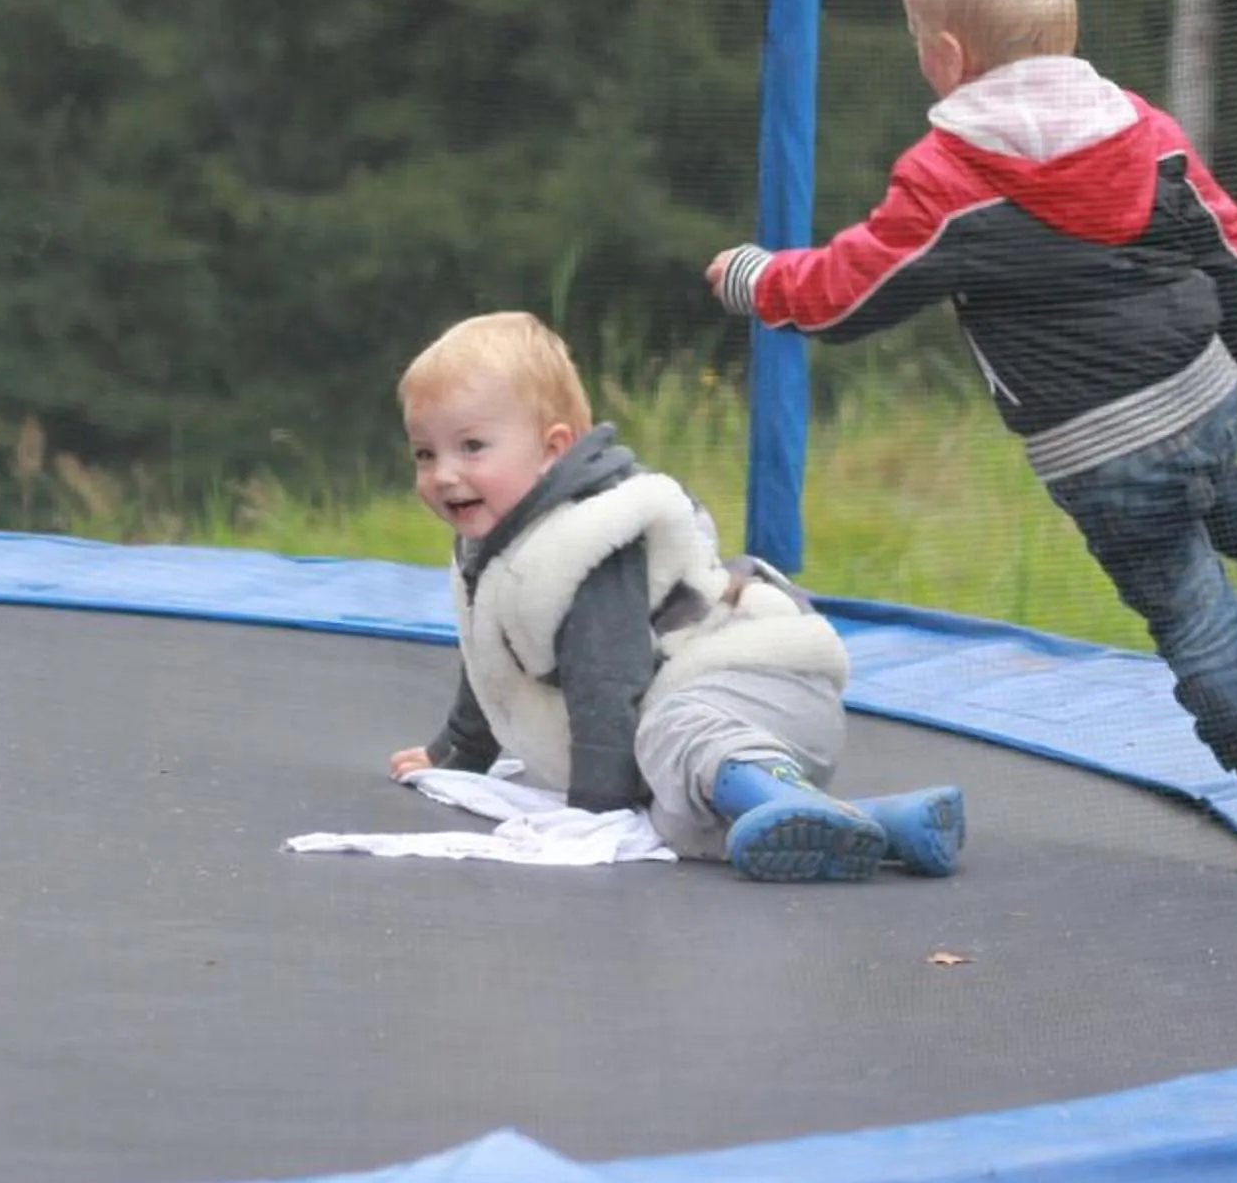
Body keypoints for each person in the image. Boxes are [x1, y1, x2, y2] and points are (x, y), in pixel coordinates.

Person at [705, 0, 1237, 879]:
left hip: (1104, 446)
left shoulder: (951, 176)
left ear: (946, 53)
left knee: (1193, 614)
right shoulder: (1141, 126)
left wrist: (753, 277)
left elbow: (845, 292)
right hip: (1203, 391)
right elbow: (1223, 232)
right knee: (1211, 485)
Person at [388, 310, 965, 884]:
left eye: (472, 447)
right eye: (425, 454)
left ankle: (778, 790)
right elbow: (492, 662)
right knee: (670, 816)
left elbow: (608, 681)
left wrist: (594, 812)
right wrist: (458, 755)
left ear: (551, 450)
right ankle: (889, 823)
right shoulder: (497, 548)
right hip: (723, 724)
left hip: (760, 682)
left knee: (671, 733)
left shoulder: (587, 539)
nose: (444, 474)